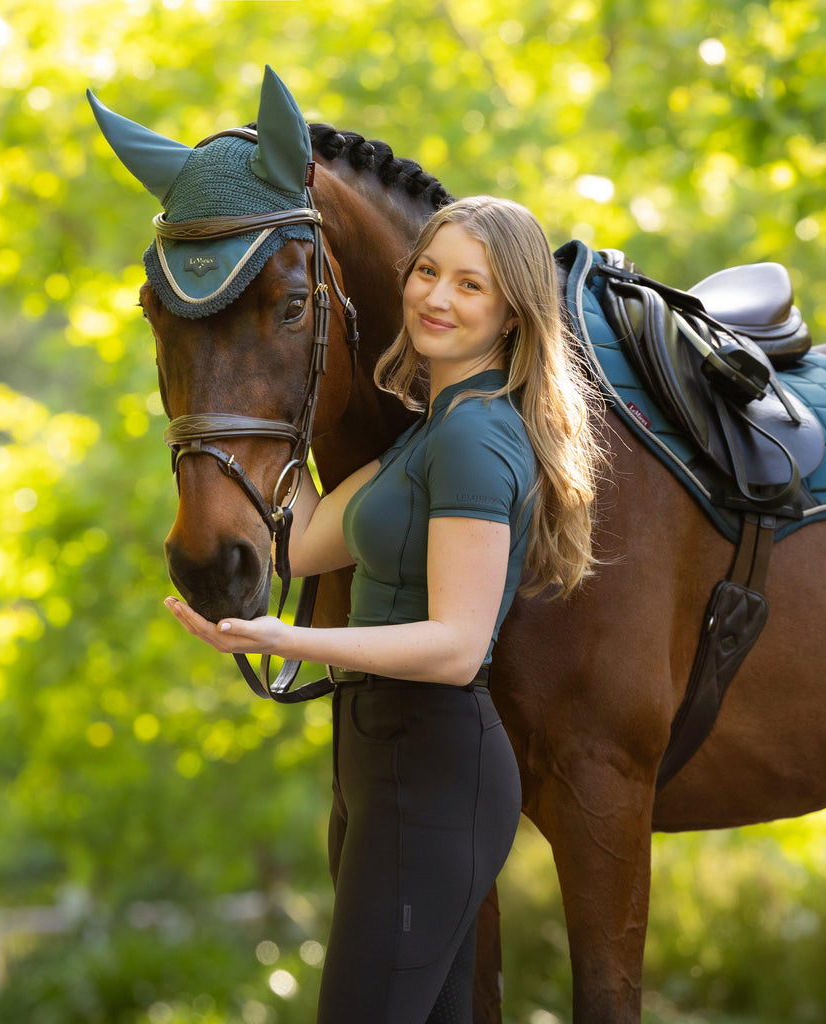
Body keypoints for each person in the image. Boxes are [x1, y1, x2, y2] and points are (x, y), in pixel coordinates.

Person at [165, 195, 606, 1024]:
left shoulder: (475, 439)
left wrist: (286, 636)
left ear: (512, 313)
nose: (437, 298)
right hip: (385, 763)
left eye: (470, 285)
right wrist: (219, 438)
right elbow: (295, 544)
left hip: (431, 773)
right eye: (428, 272)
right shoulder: (429, 433)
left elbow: (457, 644)